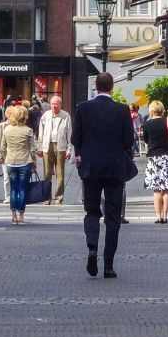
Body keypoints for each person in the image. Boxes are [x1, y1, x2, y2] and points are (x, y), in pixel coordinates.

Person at [71, 73, 135, 278]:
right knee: (113, 216)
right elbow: (128, 141)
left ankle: (92, 248)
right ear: (112, 87)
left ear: (95, 86)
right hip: (115, 168)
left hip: (90, 168)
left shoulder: (83, 108)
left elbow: (75, 138)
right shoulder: (122, 110)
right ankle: (108, 264)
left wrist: (83, 152)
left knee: (91, 211)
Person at [0, 105, 39, 225]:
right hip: (24, 162)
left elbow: (2, 147)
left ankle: (13, 215)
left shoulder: (7, 129)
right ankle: (21, 216)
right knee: (22, 190)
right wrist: (34, 163)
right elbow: (32, 149)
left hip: (11, 162)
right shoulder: (28, 130)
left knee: (13, 190)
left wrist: (6, 158)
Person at [141, 100, 168, 224]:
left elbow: (145, 140)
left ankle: (158, 216)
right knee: (166, 189)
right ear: (161, 110)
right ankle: (166, 216)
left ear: (151, 110)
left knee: (156, 190)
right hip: (167, 157)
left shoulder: (146, 125)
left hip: (153, 158)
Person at [37, 95, 72, 205]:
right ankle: (46, 198)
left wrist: (69, 149)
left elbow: (70, 134)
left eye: (56, 104)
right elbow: (40, 133)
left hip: (61, 146)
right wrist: (40, 147)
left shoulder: (65, 116)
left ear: (61, 105)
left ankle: (58, 198)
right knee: (47, 173)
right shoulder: (45, 116)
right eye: (52, 104)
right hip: (48, 146)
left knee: (60, 174)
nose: (54, 106)